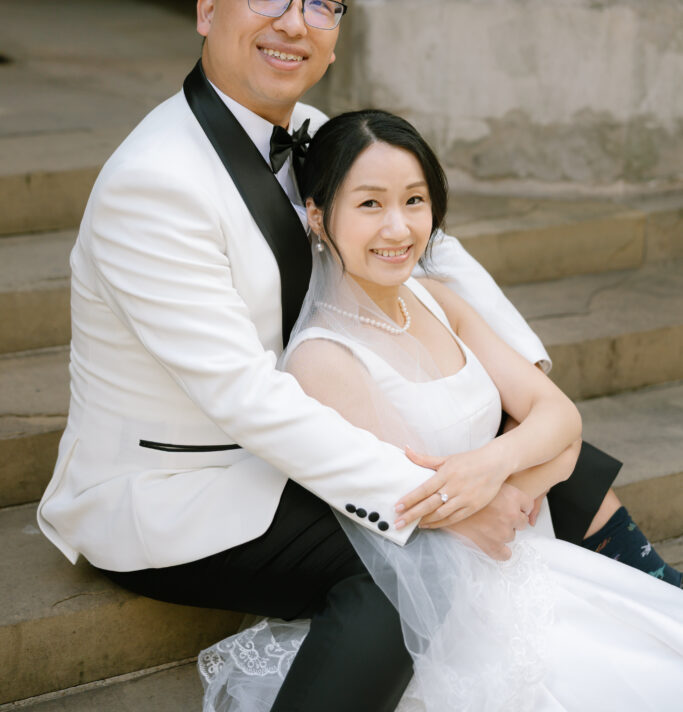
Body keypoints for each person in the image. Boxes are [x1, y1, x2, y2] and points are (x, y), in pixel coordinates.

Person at [36, 0, 677, 712]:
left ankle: (655, 598)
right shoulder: (154, 183)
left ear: (336, 30)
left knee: (516, 438)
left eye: (319, 2)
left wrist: (510, 381)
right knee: (388, 588)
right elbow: (243, 396)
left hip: (305, 423)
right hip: (185, 484)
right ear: (208, 10)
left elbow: (439, 253)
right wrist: (441, 509)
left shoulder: (307, 131)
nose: (292, 21)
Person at [199, 110, 683, 711]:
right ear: (320, 218)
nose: (398, 228)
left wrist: (496, 463)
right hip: (461, 600)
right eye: (370, 205)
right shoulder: (325, 360)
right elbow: (434, 511)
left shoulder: (436, 297)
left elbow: (560, 418)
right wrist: (537, 463)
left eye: (414, 201)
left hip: (525, 554)